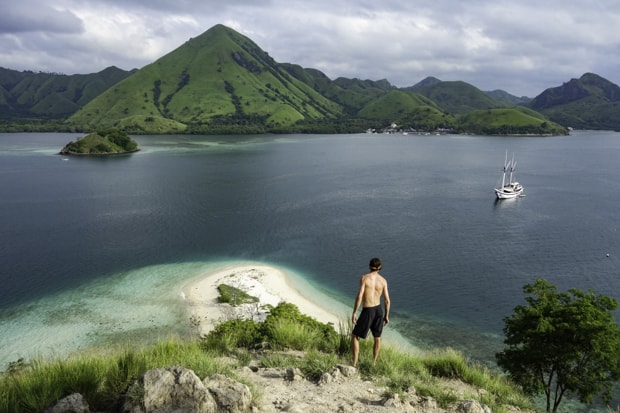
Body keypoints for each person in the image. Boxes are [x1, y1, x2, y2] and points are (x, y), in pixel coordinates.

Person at [351, 257, 391, 367]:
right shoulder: (383, 281)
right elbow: (387, 300)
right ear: (380, 268)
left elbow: (359, 296)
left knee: (355, 336)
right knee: (377, 337)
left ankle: (354, 363)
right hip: (378, 310)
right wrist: (386, 315)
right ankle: (373, 363)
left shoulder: (364, 278)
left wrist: (354, 312)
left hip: (368, 310)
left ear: (369, 266)